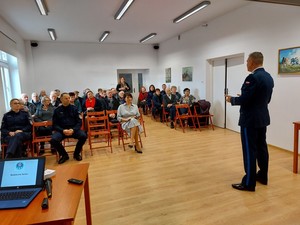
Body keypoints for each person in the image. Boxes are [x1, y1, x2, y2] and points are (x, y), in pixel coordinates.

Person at [226, 52, 274, 192]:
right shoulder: (268, 77)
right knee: (261, 148)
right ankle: (263, 176)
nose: (246, 63)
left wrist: (232, 99)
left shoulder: (252, 78)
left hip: (250, 120)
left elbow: (245, 100)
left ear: (253, 62)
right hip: (262, 118)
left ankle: (249, 182)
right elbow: (265, 99)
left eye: (247, 61)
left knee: (249, 150)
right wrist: (246, 97)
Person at [50, 93, 87, 164]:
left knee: (83, 136)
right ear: (61, 99)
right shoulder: (57, 110)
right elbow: (55, 124)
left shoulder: (74, 108)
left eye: (68, 98)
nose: (68, 100)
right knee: (53, 140)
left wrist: (73, 130)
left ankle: (76, 153)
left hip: (73, 129)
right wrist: (62, 130)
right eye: (66, 98)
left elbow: (79, 122)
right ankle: (64, 155)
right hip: (62, 130)